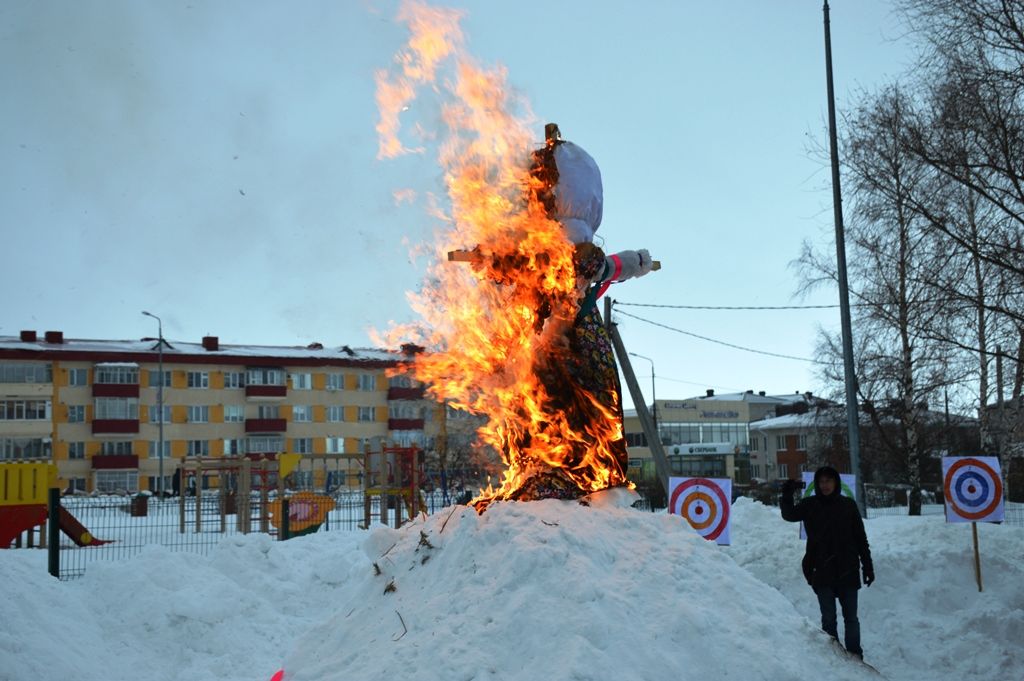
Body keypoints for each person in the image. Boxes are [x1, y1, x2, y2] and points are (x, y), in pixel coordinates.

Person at [780, 466, 874, 659]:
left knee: (851, 619)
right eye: (821, 482)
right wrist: (787, 494)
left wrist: (868, 566)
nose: (825, 485)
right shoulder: (810, 504)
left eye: (828, 481)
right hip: (822, 569)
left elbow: (860, 538)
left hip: (848, 568)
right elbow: (789, 515)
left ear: (836, 482)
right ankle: (835, 657)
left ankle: (855, 655)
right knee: (829, 619)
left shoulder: (848, 505)